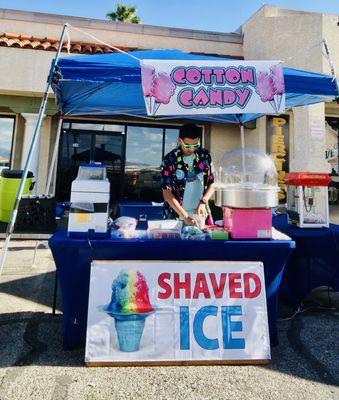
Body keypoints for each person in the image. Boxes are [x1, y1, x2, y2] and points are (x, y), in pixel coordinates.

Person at [160, 123, 215, 226]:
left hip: (200, 214)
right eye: (188, 145)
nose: (191, 149)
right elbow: (167, 192)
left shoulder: (204, 156)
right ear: (180, 141)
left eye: (195, 145)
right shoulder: (170, 159)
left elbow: (212, 183)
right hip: (176, 215)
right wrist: (185, 217)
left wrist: (203, 202)